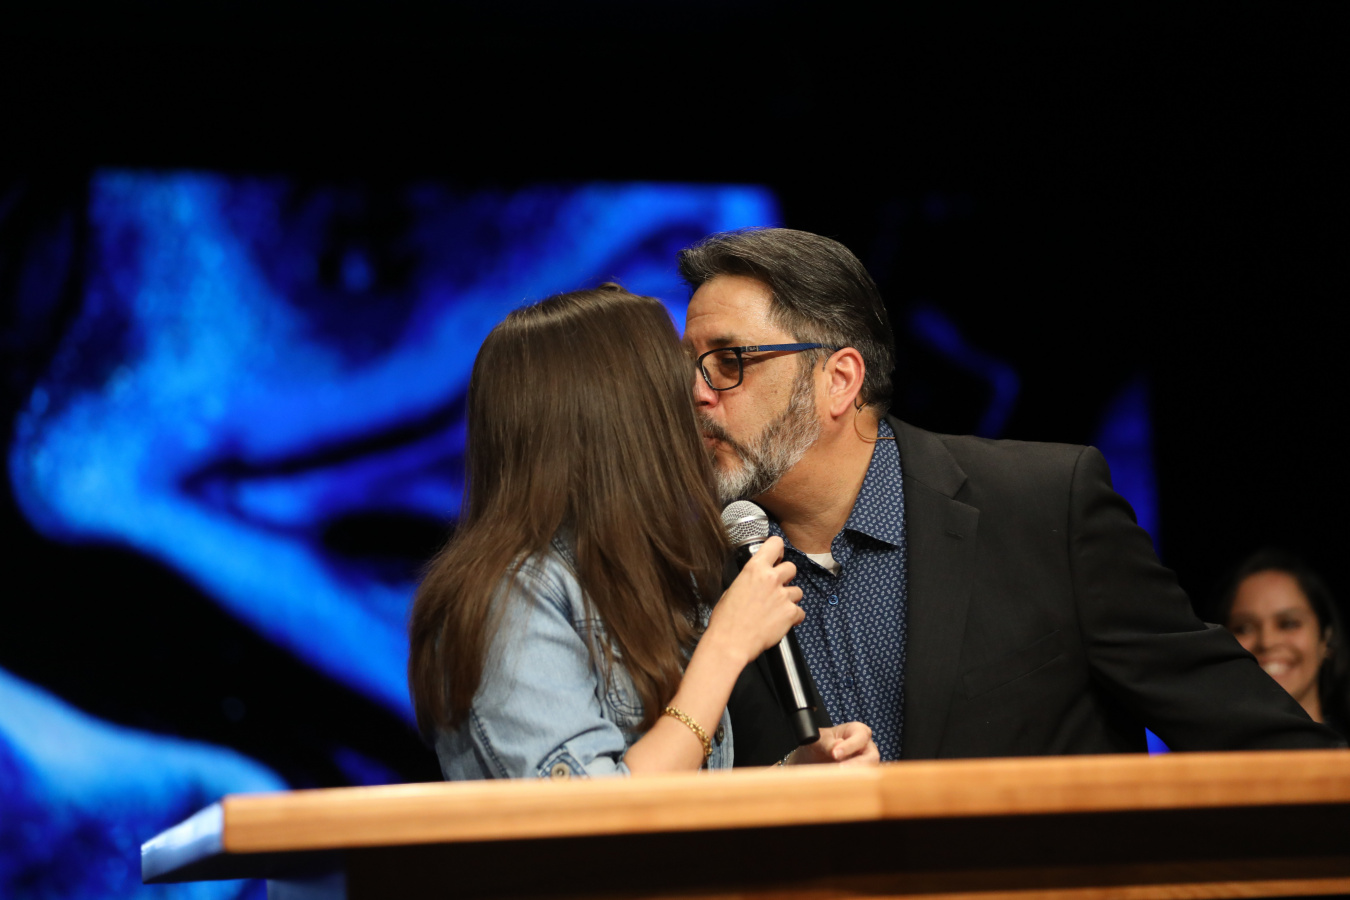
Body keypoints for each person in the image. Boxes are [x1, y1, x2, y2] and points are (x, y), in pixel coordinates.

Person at [676, 227, 1344, 763]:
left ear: (840, 380)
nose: (697, 394)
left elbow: (1259, 739)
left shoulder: (1043, 506)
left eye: (729, 361)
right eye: (688, 369)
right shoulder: (698, 573)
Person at [407, 284, 879, 779]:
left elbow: (681, 798)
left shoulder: (645, 575)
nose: (700, 399)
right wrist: (725, 646)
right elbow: (592, 813)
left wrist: (791, 776)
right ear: (619, 418)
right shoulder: (511, 598)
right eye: (676, 380)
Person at [1219, 550, 1349, 738]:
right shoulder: (1199, 753)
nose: (1267, 642)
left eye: (1288, 624)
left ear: (1325, 639)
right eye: (1244, 628)